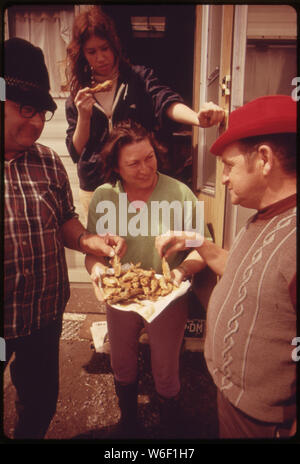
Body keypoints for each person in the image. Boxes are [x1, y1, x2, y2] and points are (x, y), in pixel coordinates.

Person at [3, 37, 126, 440]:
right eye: (25, 109)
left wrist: (91, 241)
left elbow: (65, 220)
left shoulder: (47, 161)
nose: (37, 122)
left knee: (39, 402)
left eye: (41, 112)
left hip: (43, 313)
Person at [155, 95, 297, 439]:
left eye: (229, 166)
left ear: (263, 159)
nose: (223, 180)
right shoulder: (262, 218)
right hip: (234, 401)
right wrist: (196, 242)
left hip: (265, 423)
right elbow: (238, 270)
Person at [85, 120, 208, 438]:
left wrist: (180, 272)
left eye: (149, 157)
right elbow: (93, 253)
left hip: (167, 296)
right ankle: (128, 423)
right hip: (122, 294)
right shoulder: (104, 198)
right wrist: (98, 271)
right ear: (116, 166)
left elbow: (201, 251)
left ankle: (171, 428)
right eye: (133, 163)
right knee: (122, 364)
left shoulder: (179, 192)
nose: (145, 168)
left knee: (166, 371)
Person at [65, 6, 224, 219]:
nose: (100, 57)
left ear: (114, 46)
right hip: (95, 185)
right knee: (105, 247)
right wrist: (84, 116)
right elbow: (75, 151)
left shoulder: (138, 78)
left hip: (137, 181)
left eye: (104, 48)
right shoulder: (79, 92)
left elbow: (165, 101)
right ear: (83, 54)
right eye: (91, 52)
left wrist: (196, 118)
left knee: (141, 242)